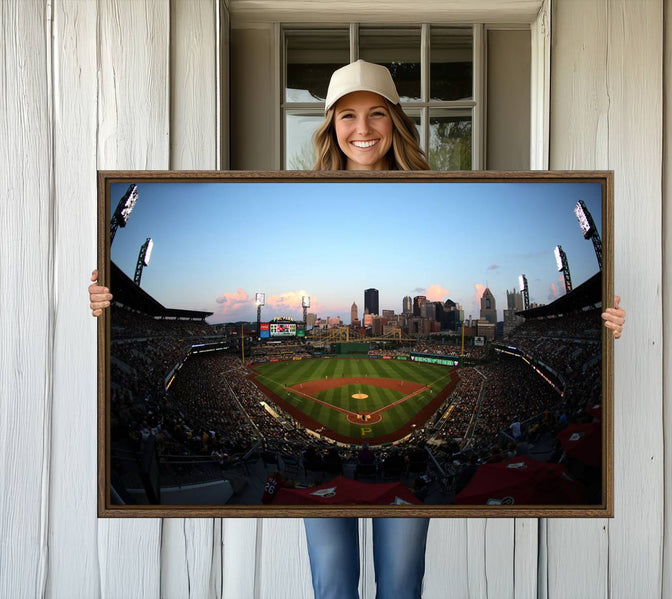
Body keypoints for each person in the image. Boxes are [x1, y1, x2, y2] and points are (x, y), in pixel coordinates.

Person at [88, 59, 626, 599]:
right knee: (333, 581)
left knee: (400, 582)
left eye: (376, 114)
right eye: (347, 116)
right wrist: (106, 302)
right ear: (330, 126)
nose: (362, 129)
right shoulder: (302, 191)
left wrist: (602, 321)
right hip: (332, 481)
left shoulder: (434, 191)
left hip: (369, 477)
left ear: (395, 120)